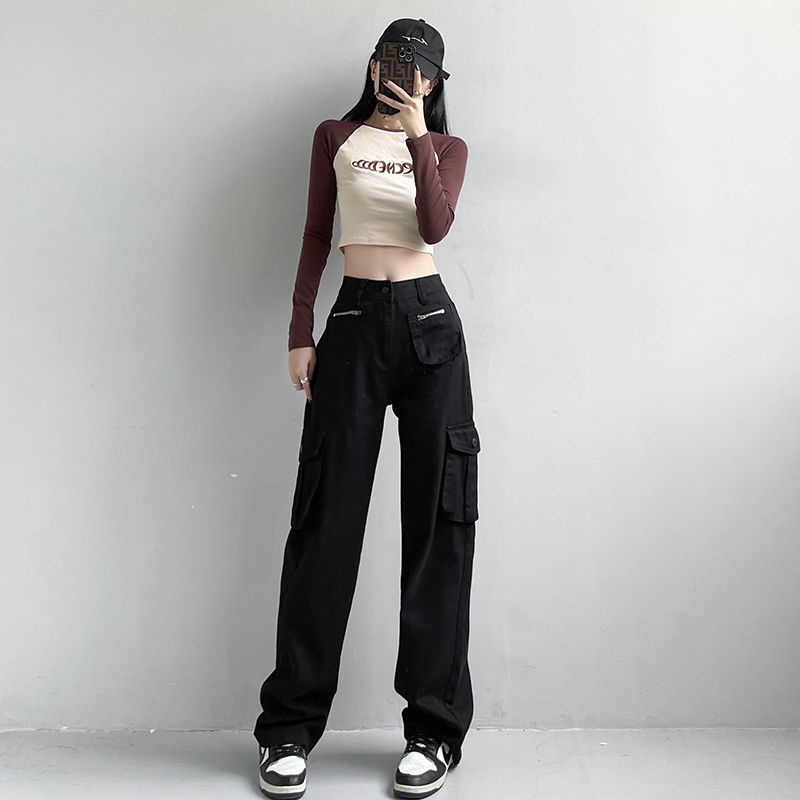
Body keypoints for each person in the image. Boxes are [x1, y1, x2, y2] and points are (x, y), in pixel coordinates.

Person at [254, 18, 479, 800]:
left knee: (439, 525)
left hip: (430, 325)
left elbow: (435, 227)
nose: (400, 72)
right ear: (373, 64)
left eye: (416, 67)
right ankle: (288, 729)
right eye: (390, 59)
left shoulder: (447, 148)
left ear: (433, 80)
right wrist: (299, 330)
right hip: (351, 322)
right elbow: (318, 232)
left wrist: (418, 137)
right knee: (325, 522)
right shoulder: (335, 136)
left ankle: (433, 731)